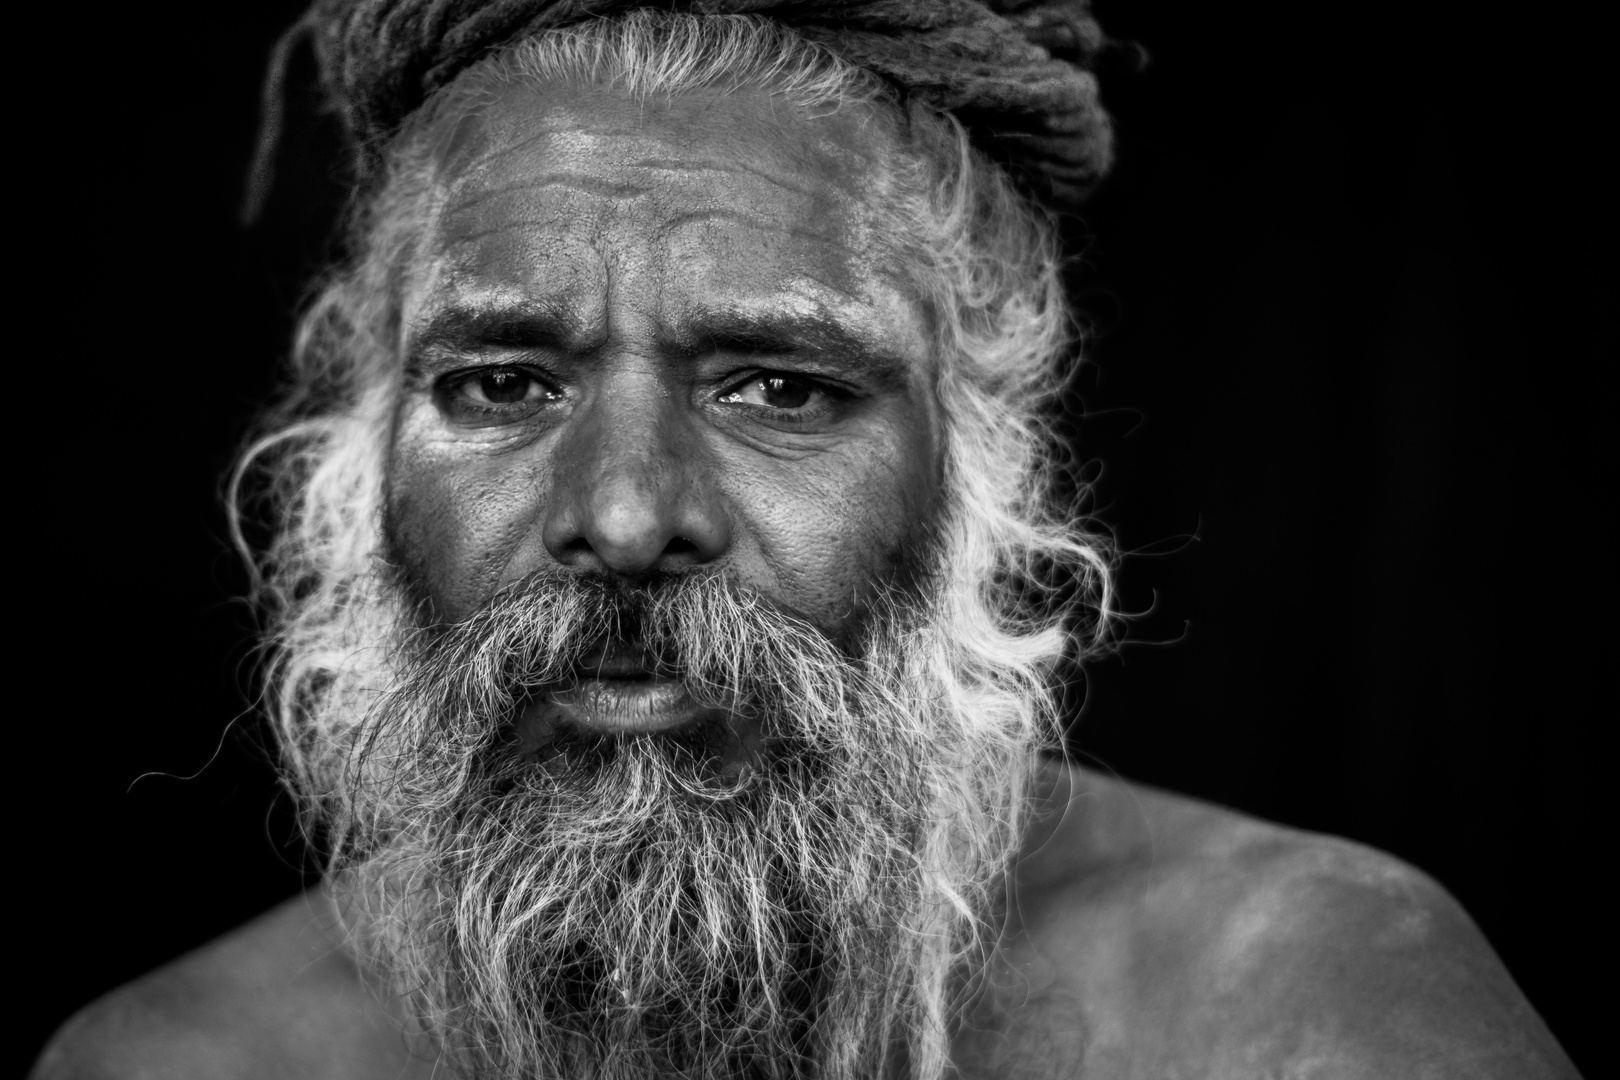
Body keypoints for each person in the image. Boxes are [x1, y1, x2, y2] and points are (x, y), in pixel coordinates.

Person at [32, 2, 1580, 1077]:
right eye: (501, 384)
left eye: (781, 385)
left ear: (979, 460)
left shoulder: (1310, 1008)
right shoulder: (179, 1061)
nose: (628, 515)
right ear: (354, 459)